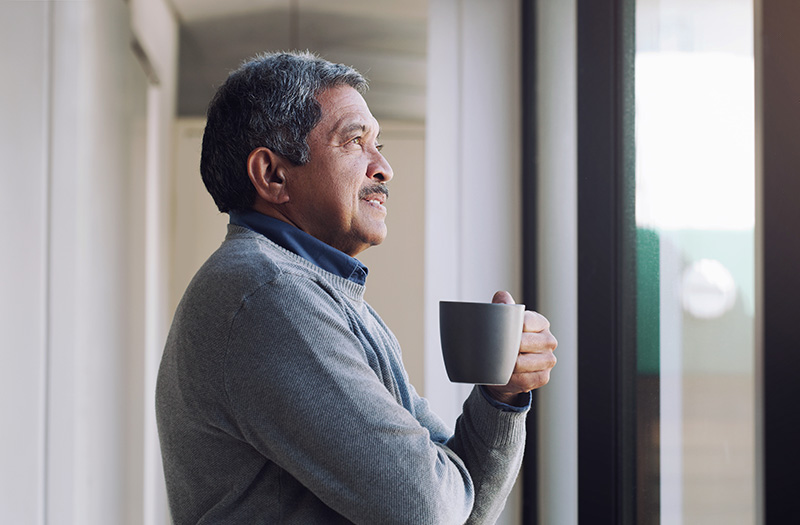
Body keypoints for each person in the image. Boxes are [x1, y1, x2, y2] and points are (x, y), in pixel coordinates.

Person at [156, 50, 557, 525]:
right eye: (353, 142)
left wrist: (502, 396)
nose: (384, 168)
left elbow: (462, 513)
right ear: (273, 175)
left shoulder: (327, 296)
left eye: (378, 143)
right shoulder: (268, 294)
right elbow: (429, 510)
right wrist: (442, 485)